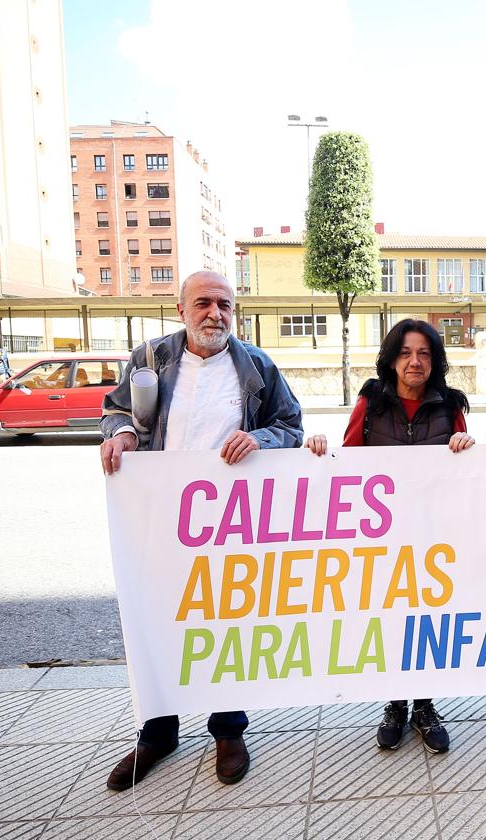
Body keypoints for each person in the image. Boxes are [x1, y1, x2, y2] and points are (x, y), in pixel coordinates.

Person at [98, 270, 304, 791]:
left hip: (230, 522)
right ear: (181, 309)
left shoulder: (256, 365)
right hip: (160, 519)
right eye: (205, 303)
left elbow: (291, 427)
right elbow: (117, 410)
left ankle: (228, 729)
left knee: (225, 622)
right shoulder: (149, 358)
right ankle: (158, 731)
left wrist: (259, 438)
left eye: (225, 304)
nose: (216, 313)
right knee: (159, 619)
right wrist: (120, 435)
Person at [305, 319, 475, 755]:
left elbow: (467, 468)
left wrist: (465, 446)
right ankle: (395, 704)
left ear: (434, 360)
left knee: (428, 622)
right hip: (382, 538)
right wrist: (321, 451)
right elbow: (346, 460)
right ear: (392, 359)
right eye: (405, 353)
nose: (414, 362)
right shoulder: (372, 401)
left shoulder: (450, 403)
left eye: (423, 353)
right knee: (392, 619)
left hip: (434, 538)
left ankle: (425, 704)